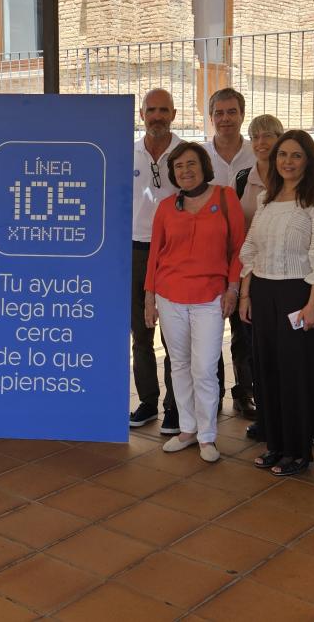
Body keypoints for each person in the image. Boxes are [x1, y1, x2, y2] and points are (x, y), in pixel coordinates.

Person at [238, 130, 314, 477]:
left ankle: (298, 451)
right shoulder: (266, 199)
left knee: (296, 372)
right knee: (266, 370)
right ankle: (276, 444)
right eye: (283, 155)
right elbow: (251, 249)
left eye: (296, 155)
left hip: (299, 294)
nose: (288, 162)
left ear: (309, 160)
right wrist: (246, 295)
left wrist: (313, 305)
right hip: (263, 291)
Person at [145, 142, 247, 463]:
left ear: (204, 166)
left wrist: (233, 289)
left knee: (204, 368)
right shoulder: (166, 206)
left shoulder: (225, 198)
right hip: (169, 295)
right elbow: (154, 255)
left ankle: (207, 436)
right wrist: (150, 298)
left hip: (210, 296)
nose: (185, 170)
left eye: (191, 163)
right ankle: (187, 429)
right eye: (178, 166)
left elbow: (239, 248)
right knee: (179, 364)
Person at [200, 88, 256, 426]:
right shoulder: (200, 155)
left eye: (231, 112)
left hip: (248, 256)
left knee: (243, 329)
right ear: (211, 117)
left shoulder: (257, 153)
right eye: (219, 113)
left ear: (242, 115)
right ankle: (214, 393)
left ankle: (245, 392)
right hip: (208, 258)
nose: (225, 119)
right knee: (209, 330)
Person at [129, 88, 181, 431]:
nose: (157, 116)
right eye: (151, 110)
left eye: (163, 110)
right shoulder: (127, 153)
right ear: (142, 115)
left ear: (173, 114)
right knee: (141, 334)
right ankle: (148, 402)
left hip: (175, 253)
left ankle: (174, 406)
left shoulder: (187, 153)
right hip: (134, 251)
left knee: (174, 336)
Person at [232, 113, 283, 442]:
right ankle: (264, 413)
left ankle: (304, 418)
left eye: (269, 135)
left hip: (287, 275)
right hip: (250, 274)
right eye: (256, 136)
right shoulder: (242, 179)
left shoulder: (292, 174)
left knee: (288, 350)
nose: (262, 142)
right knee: (253, 346)